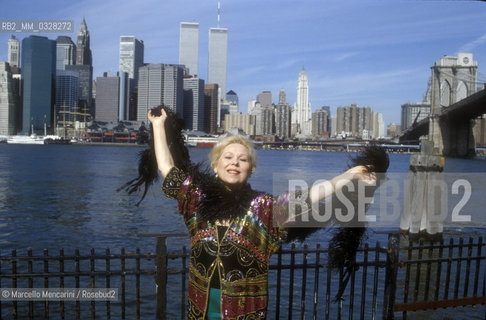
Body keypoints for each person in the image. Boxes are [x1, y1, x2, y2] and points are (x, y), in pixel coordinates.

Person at [143, 106, 388, 320]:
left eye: (242, 159)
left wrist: (347, 176)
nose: (234, 162)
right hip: (199, 311)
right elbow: (167, 168)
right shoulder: (198, 200)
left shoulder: (262, 207)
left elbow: (307, 197)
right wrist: (158, 125)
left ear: (251, 170)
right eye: (227, 157)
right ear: (216, 167)